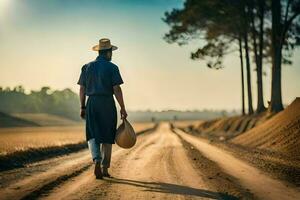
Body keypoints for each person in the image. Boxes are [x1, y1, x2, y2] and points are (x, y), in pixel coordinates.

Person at [77, 38, 127, 179]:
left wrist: (82, 106)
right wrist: (122, 107)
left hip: (92, 103)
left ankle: (96, 160)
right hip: (107, 104)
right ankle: (105, 169)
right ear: (108, 52)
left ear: (99, 51)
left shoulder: (86, 67)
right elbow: (116, 88)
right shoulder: (112, 67)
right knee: (107, 136)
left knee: (92, 134)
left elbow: (82, 89)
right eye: (111, 52)